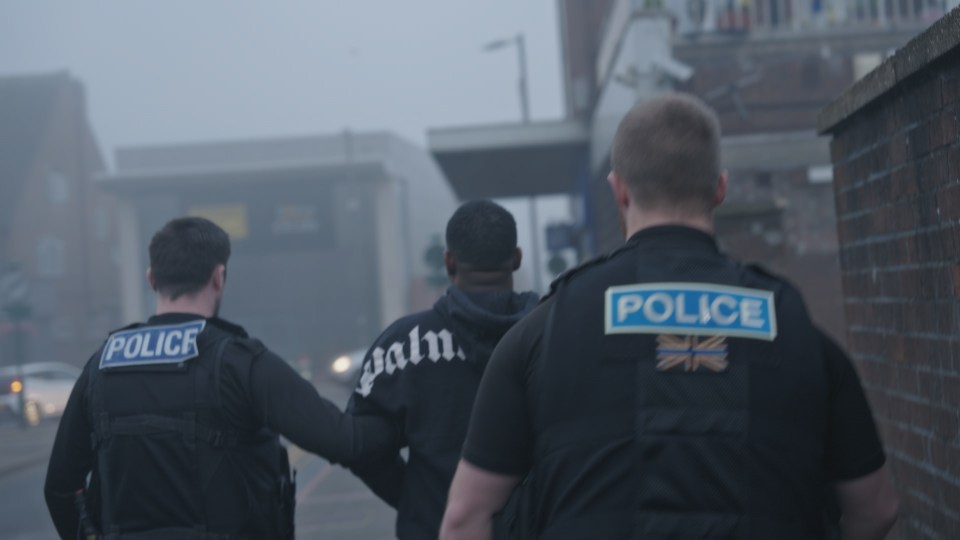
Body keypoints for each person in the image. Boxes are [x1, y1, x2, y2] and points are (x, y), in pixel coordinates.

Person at [440, 94, 900, 540]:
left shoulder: (545, 330)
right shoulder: (793, 327)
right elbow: (875, 510)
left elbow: (464, 518)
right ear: (719, 187)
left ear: (619, 190)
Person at [44, 217, 397, 540]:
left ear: (151, 278)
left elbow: (60, 488)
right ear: (218, 276)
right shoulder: (240, 362)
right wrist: (410, 416)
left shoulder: (101, 366)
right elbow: (341, 440)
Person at [347, 200, 539, 540]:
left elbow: (362, 445)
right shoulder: (554, 333)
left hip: (434, 526)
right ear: (516, 258)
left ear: (449, 261)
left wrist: (414, 498)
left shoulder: (401, 346)